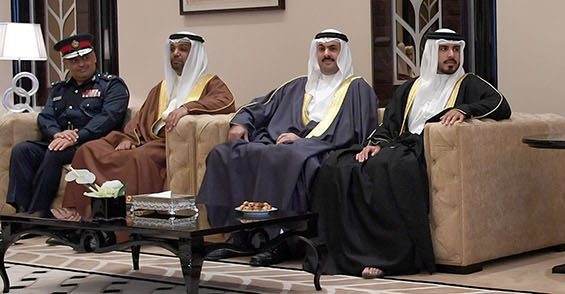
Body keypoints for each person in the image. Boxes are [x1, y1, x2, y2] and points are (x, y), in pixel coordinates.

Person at [312, 29, 510, 278]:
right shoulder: (411, 87)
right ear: (431, 53)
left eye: (455, 50)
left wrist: (465, 109)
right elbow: (390, 123)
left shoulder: (469, 83)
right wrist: (376, 144)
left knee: (388, 168)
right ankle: (348, 255)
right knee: (337, 165)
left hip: (422, 149)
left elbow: (501, 105)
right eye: (444, 49)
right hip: (396, 146)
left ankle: (387, 258)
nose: (451, 55)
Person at [197, 29, 376, 266]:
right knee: (225, 153)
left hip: (320, 149)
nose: (326, 54)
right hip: (280, 144)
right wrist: (240, 122)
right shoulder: (297, 85)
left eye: (333, 49)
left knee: (284, 156)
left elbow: (354, 131)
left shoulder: (357, 88)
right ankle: (240, 234)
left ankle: (279, 240)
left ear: (343, 54)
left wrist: (303, 139)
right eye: (321, 49)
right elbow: (260, 106)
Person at [52, 32, 235, 220]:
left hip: (168, 145)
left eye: (183, 49)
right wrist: (129, 138)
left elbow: (225, 101)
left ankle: (130, 217)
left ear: (195, 54)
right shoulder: (162, 87)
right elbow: (141, 118)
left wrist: (187, 109)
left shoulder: (210, 83)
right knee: (88, 149)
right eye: (172, 49)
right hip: (145, 140)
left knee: (139, 157)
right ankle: (77, 213)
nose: (176, 54)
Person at [7, 34, 129, 216]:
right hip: (62, 141)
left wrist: (77, 137)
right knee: (23, 150)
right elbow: (46, 117)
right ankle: (20, 211)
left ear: (94, 57)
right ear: (66, 64)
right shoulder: (59, 89)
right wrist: (57, 134)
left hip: (93, 144)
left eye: (86, 58)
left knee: (55, 152)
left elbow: (108, 118)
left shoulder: (111, 85)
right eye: (74, 61)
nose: (81, 64)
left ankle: (38, 212)